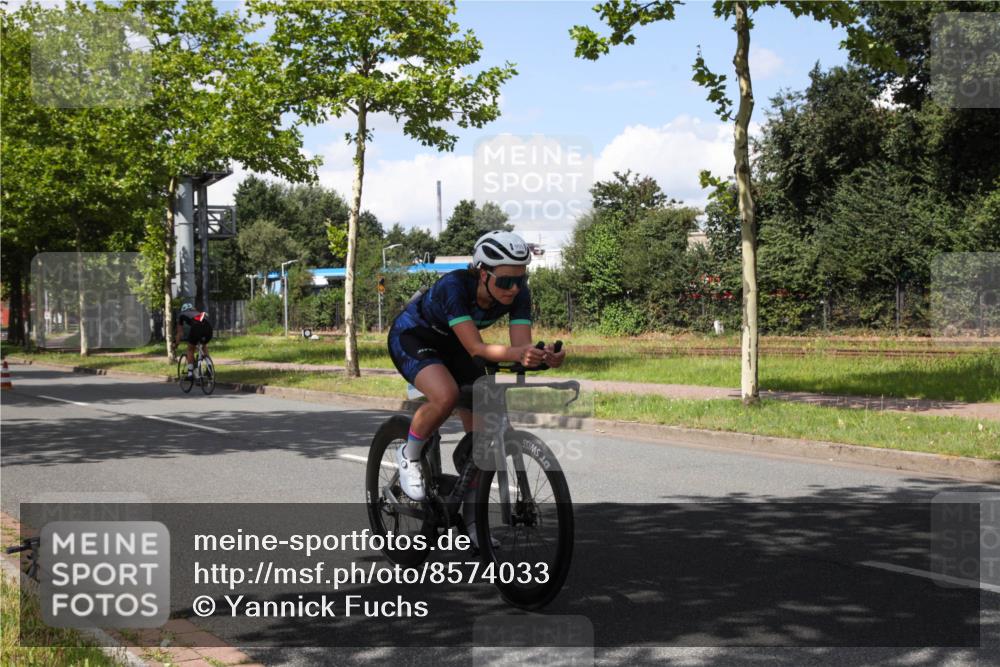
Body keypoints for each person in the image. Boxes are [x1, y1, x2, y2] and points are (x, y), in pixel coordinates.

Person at [386, 230, 566, 547]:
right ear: (483, 273)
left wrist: (543, 357)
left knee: (483, 440)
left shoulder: (519, 292)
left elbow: (520, 347)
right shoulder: (454, 287)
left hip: (456, 345)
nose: (514, 289)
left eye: (520, 280)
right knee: (447, 395)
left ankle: (472, 524)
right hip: (415, 338)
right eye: (506, 282)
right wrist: (518, 355)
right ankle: (409, 454)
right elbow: (477, 348)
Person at [175, 302, 213, 379]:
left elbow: (180, 333)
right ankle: (210, 368)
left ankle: (190, 374)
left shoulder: (181, 315)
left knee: (190, 349)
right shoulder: (198, 312)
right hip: (209, 328)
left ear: (183, 310)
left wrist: (176, 344)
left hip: (197, 327)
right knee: (204, 346)